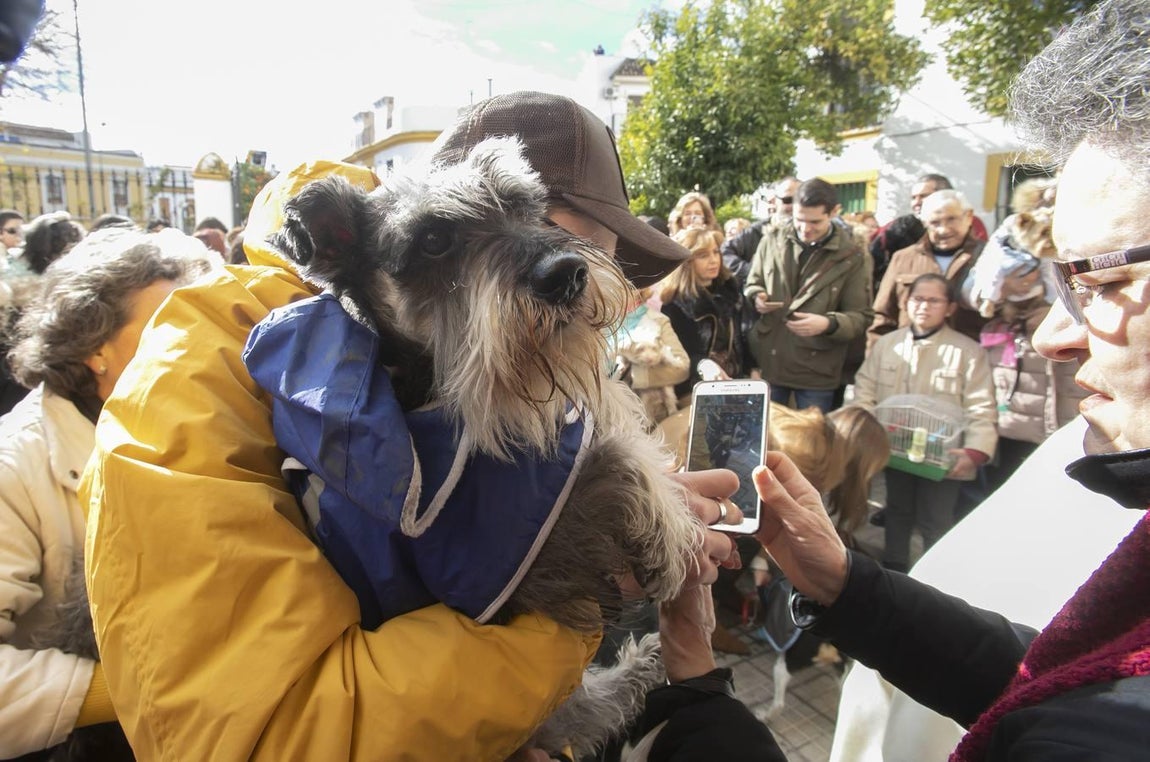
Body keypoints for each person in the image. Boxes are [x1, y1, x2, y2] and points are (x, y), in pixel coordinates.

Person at [80, 91, 743, 761]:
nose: (564, 271)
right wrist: (603, 570)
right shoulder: (191, 377)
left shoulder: (443, 378)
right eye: (447, 244)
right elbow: (260, 738)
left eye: (588, 256)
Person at [0, 228, 214, 758]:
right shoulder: (15, 466)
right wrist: (130, 694)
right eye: (168, 326)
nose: (197, 344)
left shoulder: (188, 424)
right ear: (95, 346)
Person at [853, 273, 997, 570]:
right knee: (897, 511)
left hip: (942, 458)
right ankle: (895, 570)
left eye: (934, 300)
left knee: (936, 519)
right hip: (893, 451)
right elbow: (864, 389)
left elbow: (981, 406)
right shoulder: (887, 345)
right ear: (906, 302)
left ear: (950, 307)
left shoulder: (967, 352)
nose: (924, 307)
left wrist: (975, 451)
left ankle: (935, 576)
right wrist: (866, 431)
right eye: (918, 299)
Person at [744, 178, 873, 414]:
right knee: (766, 443)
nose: (805, 229)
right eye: (799, 219)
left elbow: (862, 316)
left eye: (815, 222)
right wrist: (757, 296)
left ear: (834, 212)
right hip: (771, 361)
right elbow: (753, 281)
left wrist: (829, 323)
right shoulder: (772, 239)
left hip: (817, 371)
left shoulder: (853, 255)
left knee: (811, 446)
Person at [869, 189, 987, 349]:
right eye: (935, 222)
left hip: (968, 360)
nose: (943, 230)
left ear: (968, 216)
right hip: (909, 361)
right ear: (924, 223)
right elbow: (883, 315)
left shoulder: (988, 258)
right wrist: (877, 360)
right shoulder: (903, 258)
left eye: (951, 219)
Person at [661, 226, 748, 402]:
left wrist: (752, 367)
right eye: (703, 255)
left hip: (735, 381)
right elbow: (681, 355)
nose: (714, 260)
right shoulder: (675, 304)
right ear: (687, 261)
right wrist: (702, 365)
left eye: (716, 252)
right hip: (697, 388)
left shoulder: (730, 293)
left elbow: (742, 338)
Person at [869, 174, 989, 285]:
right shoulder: (898, 227)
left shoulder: (973, 224)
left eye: (923, 196)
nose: (916, 203)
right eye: (913, 198)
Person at [721, 176, 800, 286]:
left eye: (799, 200)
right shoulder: (757, 230)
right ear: (775, 201)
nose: (794, 206)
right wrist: (753, 272)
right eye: (787, 200)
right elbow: (725, 253)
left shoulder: (815, 232)